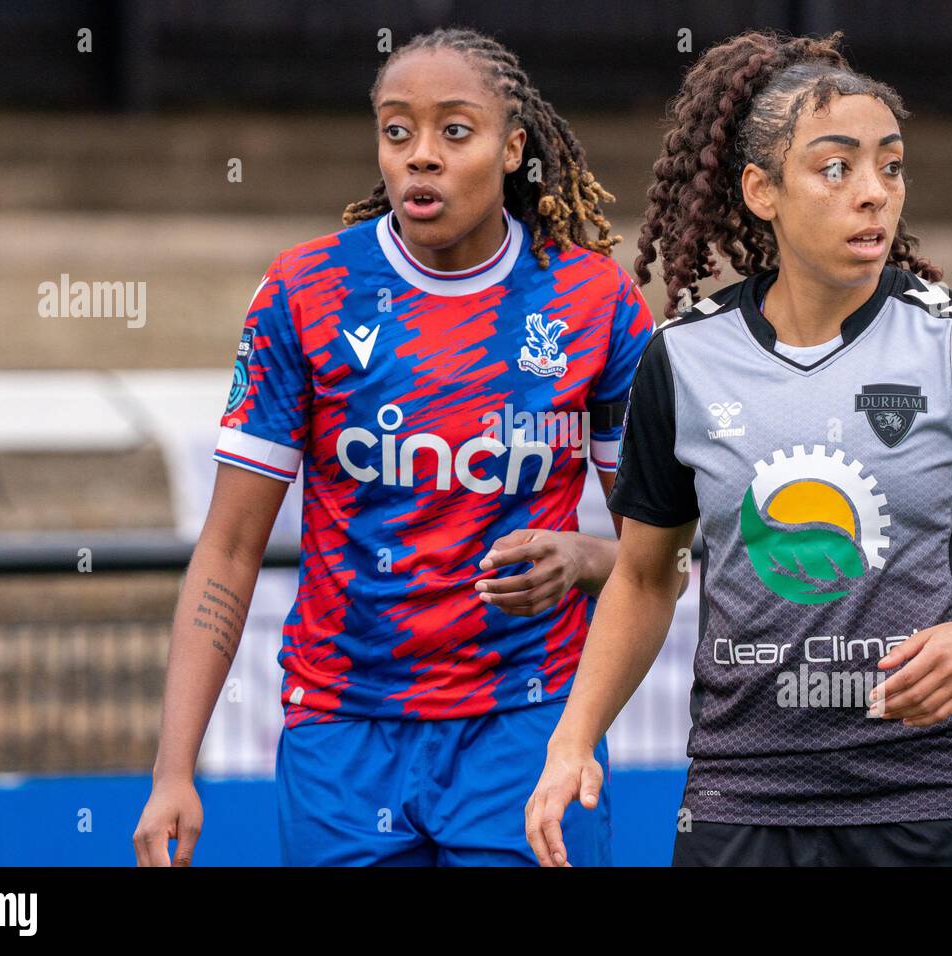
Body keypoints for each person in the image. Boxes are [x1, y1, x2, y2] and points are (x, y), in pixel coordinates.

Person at [524, 29, 952, 867]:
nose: (873, 192)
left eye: (891, 165)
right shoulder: (683, 359)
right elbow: (644, 575)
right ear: (762, 190)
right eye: (836, 168)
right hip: (739, 807)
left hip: (933, 805)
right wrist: (572, 740)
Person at [133, 27, 657, 866]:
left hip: (528, 727)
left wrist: (583, 557)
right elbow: (229, 549)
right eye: (396, 130)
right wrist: (172, 771)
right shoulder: (306, 293)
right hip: (341, 734)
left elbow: (657, 548)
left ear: (514, 147)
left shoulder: (594, 300)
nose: (421, 156)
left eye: (455, 130)